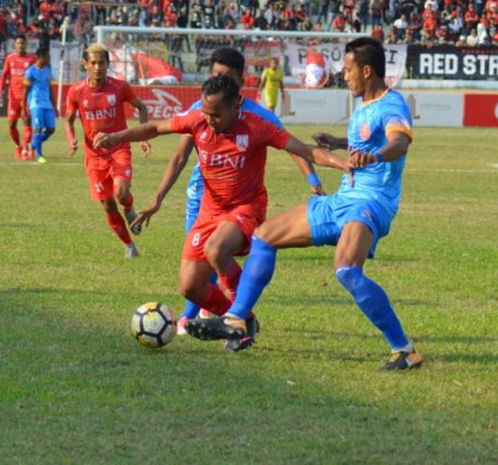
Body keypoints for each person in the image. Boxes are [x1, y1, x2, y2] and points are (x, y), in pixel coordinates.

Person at [187, 37, 423, 370]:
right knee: (264, 236)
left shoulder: (393, 104)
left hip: (369, 202)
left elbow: (398, 143)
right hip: (343, 198)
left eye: (349, 69)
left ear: (367, 70)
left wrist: (376, 155)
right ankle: (237, 320)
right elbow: (369, 139)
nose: (345, 75)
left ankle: (405, 350)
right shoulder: (364, 106)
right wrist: (340, 143)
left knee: (347, 270)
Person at [93, 74, 350, 350]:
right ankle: (244, 319)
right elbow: (156, 127)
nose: (209, 119)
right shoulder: (198, 122)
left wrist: (344, 164)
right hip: (209, 212)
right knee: (190, 286)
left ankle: (235, 319)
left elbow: (306, 151)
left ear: (237, 104)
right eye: (205, 112)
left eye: (215, 114)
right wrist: (116, 137)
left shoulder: (258, 128)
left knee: (217, 249)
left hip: (246, 208)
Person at [150, 47, 325, 343]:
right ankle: (216, 315)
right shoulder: (200, 108)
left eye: (226, 77)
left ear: (239, 82)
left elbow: (292, 146)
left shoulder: (257, 116)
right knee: (199, 265)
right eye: (215, 75)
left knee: (217, 253)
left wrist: (313, 179)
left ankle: (206, 317)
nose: (219, 81)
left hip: (238, 200)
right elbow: (180, 156)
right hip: (201, 197)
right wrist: (158, 198)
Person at [64, 43, 150, 259]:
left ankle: (129, 208)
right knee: (108, 205)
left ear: (108, 64)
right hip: (94, 156)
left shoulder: (120, 87)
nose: (97, 67)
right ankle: (129, 246)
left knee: (121, 192)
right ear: (85, 65)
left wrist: (143, 136)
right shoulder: (76, 91)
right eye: (93, 63)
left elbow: (142, 107)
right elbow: (68, 120)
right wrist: (72, 139)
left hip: (119, 148)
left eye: (102, 63)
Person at [0, 34, 35, 160]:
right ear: (15, 45)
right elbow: (4, 75)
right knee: (11, 125)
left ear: (26, 45)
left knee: (27, 122)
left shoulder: (31, 60)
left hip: (27, 97)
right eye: (18, 43)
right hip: (13, 97)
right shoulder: (10, 58)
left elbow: (34, 77)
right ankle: (18, 146)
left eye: (22, 43)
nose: (20, 45)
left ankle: (25, 148)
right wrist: (0, 91)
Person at [23, 47, 56, 164]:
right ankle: (39, 155)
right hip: (35, 103)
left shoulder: (48, 70)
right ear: (40, 57)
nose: (49, 59)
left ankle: (33, 145)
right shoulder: (30, 71)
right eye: (47, 57)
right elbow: (25, 90)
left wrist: (54, 105)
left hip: (47, 104)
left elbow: (50, 89)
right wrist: (24, 108)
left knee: (51, 129)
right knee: (38, 129)